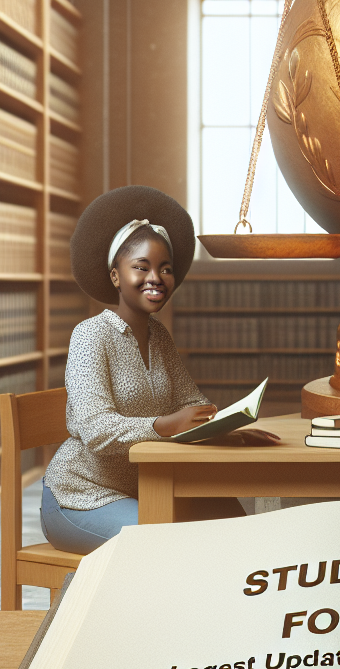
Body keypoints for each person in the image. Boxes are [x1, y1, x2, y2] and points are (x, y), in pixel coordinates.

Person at [40, 185, 276, 555]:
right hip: (81, 498)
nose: (156, 278)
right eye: (141, 267)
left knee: (232, 519)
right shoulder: (89, 336)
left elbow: (190, 400)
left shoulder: (158, 336)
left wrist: (225, 428)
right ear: (116, 276)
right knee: (171, 545)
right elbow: (95, 428)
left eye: (165, 269)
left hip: (148, 488)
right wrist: (164, 425)